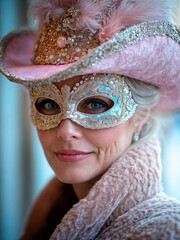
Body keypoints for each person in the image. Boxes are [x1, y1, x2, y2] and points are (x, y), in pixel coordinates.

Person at [0, 0, 180, 239]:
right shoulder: (46, 222)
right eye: (49, 104)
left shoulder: (163, 231)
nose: (65, 131)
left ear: (141, 115)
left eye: (96, 104)